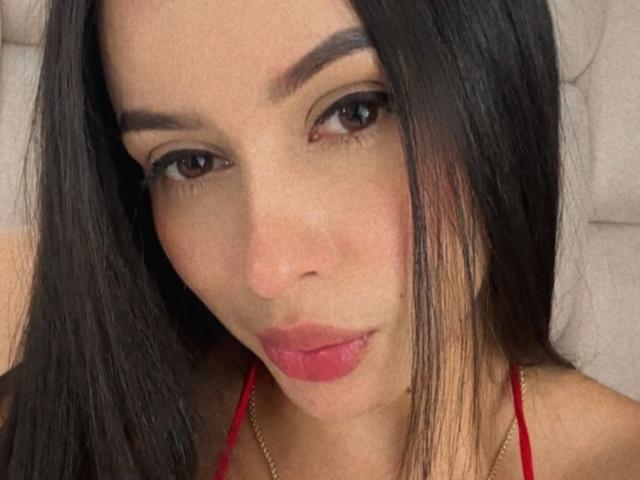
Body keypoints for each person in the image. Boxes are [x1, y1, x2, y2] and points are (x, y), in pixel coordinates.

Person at [1, 0, 639, 479]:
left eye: (354, 112)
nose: (269, 271)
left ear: (497, 88)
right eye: (188, 163)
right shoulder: (66, 425)